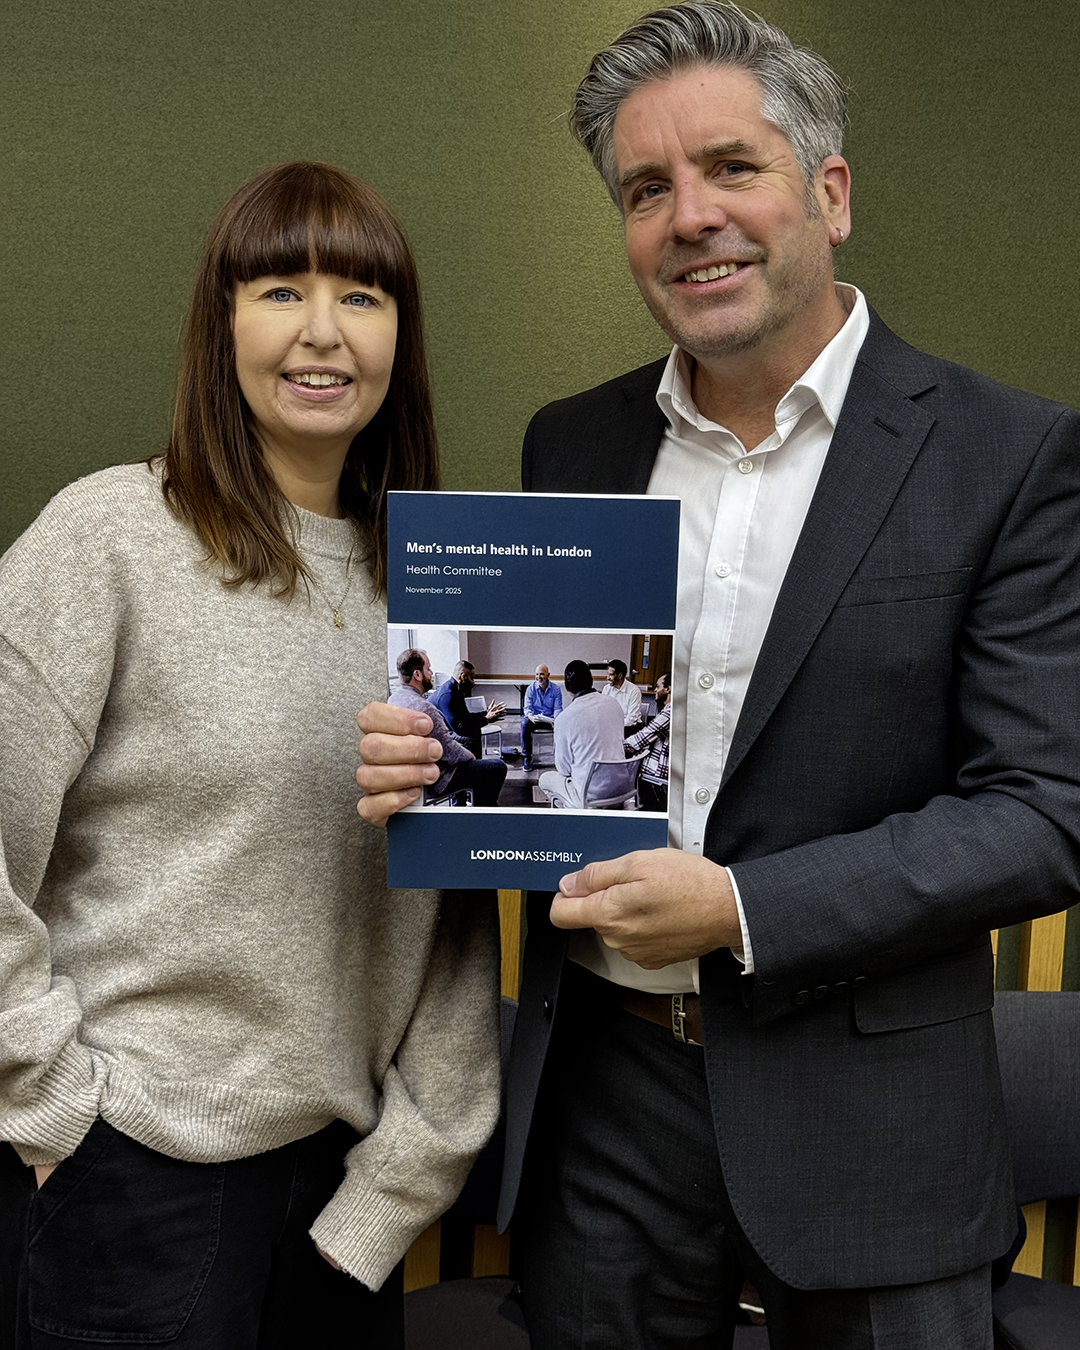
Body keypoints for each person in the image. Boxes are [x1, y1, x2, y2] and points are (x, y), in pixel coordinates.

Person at [349, 5, 1080, 1345]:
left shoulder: (1009, 455)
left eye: (731, 168)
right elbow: (551, 763)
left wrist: (741, 905)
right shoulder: (572, 441)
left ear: (830, 191)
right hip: (605, 1112)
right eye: (646, 189)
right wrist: (439, 762)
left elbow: (1045, 812)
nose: (690, 217)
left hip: (876, 1130)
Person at [0, 161, 500, 1350]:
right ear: (221, 324)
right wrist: (59, 1111)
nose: (322, 333)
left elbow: (456, 928)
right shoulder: (110, 536)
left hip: (340, 1199)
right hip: (129, 1182)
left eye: (363, 298)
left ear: (401, 336)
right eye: (280, 289)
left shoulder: (436, 592)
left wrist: (395, 1191)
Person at [390, 649, 507, 805]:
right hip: (435, 778)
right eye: (428, 669)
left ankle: (463, 801)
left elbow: (463, 719)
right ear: (417, 675)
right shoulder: (431, 705)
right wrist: (469, 756)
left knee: (471, 738)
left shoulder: (394, 700)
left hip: (415, 772)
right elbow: (453, 739)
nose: (432, 673)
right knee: (497, 767)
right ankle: (480, 815)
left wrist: (486, 714)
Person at [538, 661, 625, 809]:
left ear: (566, 686)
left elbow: (563, 769)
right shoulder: (614, 704)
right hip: (622, 790)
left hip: (589, 796)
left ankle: (577, 813)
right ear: (591, 680)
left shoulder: (565, 718)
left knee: (545, 779)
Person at [431, 659, 506, 757]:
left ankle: (474, 765)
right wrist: (487, 719)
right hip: (438, 735)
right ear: (463, 676)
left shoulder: (456, 690)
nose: (473, 682)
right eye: (472, 678)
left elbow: (465, 717)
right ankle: (473, 766)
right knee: (471, 737)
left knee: (474, 730)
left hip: (448, 728)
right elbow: (460, 728)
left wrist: (486, 713)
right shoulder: (448, 695)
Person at [624, 689, 670, 812]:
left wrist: (617, 746)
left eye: (658, 686)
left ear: (668, 688)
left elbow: (643, 738)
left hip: (657, 775)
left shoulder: (671, 712)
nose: (655, 689)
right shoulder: (668, 710)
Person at [521, 662, 563, 771]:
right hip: (535, 719)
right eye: (537, 674)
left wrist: (556, 721)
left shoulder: (556, 689)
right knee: (525, 723)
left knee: (563, 724)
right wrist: (530, 717)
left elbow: (558, 708)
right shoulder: (530, 689)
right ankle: (527, 757)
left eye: (542, 674)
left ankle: (561, 759)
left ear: (548, 675)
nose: (539, 677)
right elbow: (527, 708)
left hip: (550, 720)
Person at [602, 656, 644, 733]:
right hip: (612, 725)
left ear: (620, 676)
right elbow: (603, 711)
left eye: (611, 675)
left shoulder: (634, 691)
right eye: (607, 674)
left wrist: (613, 726)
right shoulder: (606, 689)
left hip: (629, 727)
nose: (607, 678)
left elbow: (631, 719)